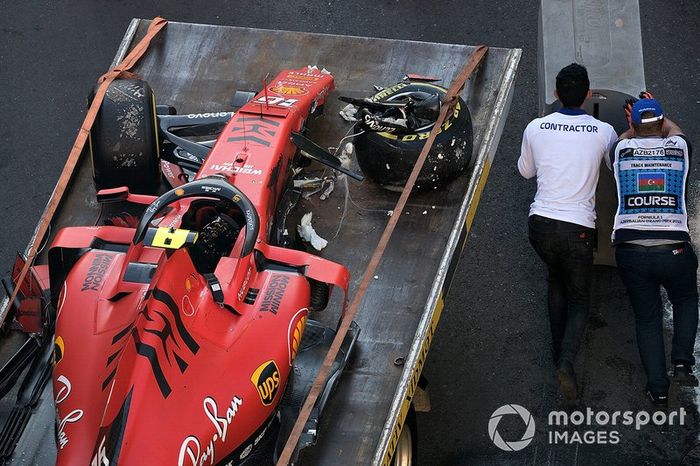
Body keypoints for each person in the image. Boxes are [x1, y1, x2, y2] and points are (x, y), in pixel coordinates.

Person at [518, 63, 618, 400]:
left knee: (555, 278)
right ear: (588, 95)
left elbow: (525, 172)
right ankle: (566, 362)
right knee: (579, 298)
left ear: (556, 94)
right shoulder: (604, 132)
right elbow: (614, 168)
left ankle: (556, 352)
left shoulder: (535, 127)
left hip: (540, 226)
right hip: (577, 230)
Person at [610, 96, 698, 407]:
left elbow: (626, 136)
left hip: (631, 250)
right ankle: (683, 363)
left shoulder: (621, 149)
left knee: (647, 319)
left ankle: (658, 390)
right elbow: (677, 131)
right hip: (674, 247)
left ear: (631, 125)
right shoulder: (679, 149)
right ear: (662, 124)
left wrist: (634, 124)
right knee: (686, 299)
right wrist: (660, 116)